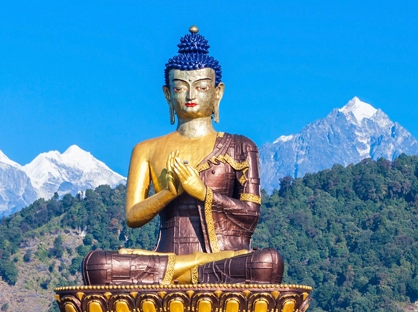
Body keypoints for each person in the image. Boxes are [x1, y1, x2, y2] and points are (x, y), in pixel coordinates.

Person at [82, 27, 284, 286]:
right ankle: (193, 268)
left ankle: (177, 274)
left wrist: (202, 193)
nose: (190, 96)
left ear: (217, 92)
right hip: (171, 257)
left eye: (201, 87)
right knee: (97, 265)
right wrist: (170, 193)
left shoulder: (241, 146)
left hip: (223, 257)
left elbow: (251, 214)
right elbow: (133, 216)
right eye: (180, 88)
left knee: (267, 263)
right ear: (168, 94)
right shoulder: (146, 149)